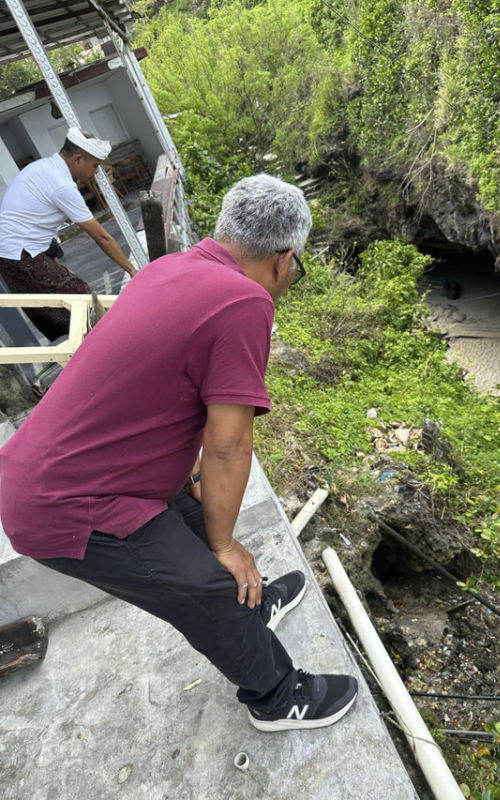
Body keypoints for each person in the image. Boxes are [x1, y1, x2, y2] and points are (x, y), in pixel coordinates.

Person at [0, 173, 358, 732]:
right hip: (67, 502)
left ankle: (253, 612)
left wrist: (190, 483)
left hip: (51, 467)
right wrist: (224, 543)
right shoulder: (246, 300)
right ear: (285, 261)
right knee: (206, 585)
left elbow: (152, 388)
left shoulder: (169, 268)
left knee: (192, 514)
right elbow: (229, 444)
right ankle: (276, 695)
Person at [0, 127, 137, 341]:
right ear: (78, 159)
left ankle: (102, 349)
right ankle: (114, 350)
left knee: (74, 313)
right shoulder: (63, 186)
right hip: (19, 255)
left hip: (17, 252)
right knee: (82, 302)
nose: (96, 172)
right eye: (95, 166)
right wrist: (132, 270)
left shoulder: (42, 167)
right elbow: (101, 236)